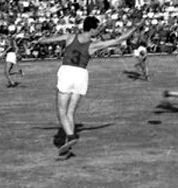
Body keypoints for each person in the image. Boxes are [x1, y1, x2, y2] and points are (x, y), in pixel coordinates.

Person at [36, 16, 142, 157]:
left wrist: (39, 40)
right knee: (70, 113)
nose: (98, 31)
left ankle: (72, 137)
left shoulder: (70, 37)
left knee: (61, 112)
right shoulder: (93, 45)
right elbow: (118, 40)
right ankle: (68, 144)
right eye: (97, 28)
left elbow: (47, 40)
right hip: (81, 75)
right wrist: (134, 27)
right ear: (91, 29)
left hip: (67, 72)